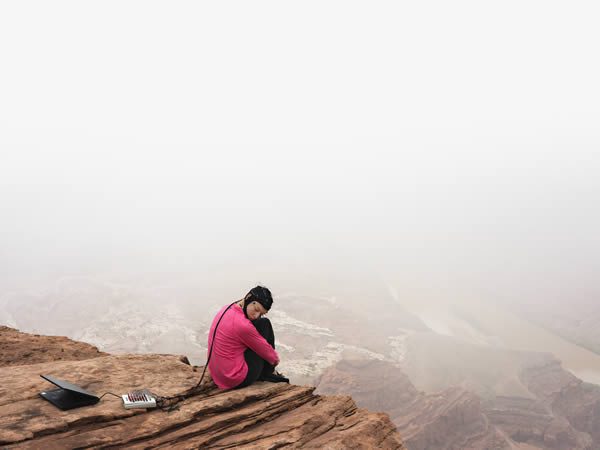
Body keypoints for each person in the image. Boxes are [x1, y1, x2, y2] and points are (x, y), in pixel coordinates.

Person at [207, 285, 289, 390]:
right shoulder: (243, 325)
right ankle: (268, 372)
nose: (256, 315)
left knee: (260, 322)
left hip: (218, 374)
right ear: (249, 298)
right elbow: (267, 352)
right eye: (256, 309)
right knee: (265, 323)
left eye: (261, 313)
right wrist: (274, 361)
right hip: (234, 378)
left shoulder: (226, 308)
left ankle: (267, 371)